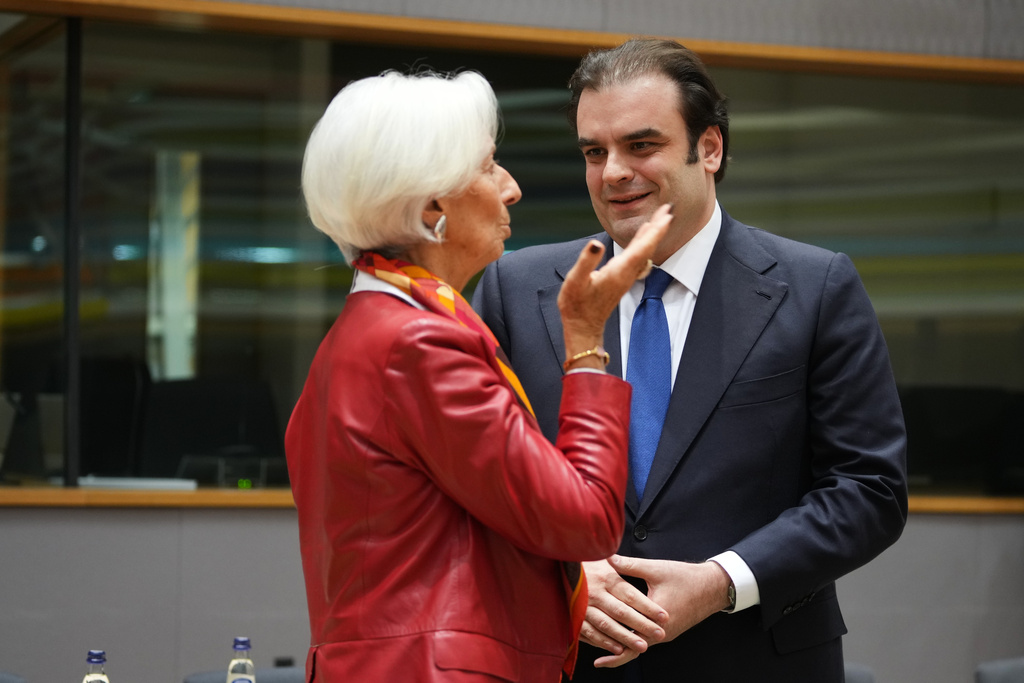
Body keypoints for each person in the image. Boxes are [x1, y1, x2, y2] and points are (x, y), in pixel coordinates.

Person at [473, 38, 908, 682]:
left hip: (755, 659)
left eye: (641, 145)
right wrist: (560, 570)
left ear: (710, 148)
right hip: (562, 658)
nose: (613, 171)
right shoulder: (516, 287)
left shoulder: (815, 288)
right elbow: (476, 480)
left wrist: (722, 582)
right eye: (595, 151)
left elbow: (868, 490)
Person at [285, 68, 672, 682]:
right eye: (490, 167)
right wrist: (585, 347)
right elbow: (585, 522)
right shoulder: (420, 342)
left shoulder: (367, 327)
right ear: (434, 205)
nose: (511, 188)